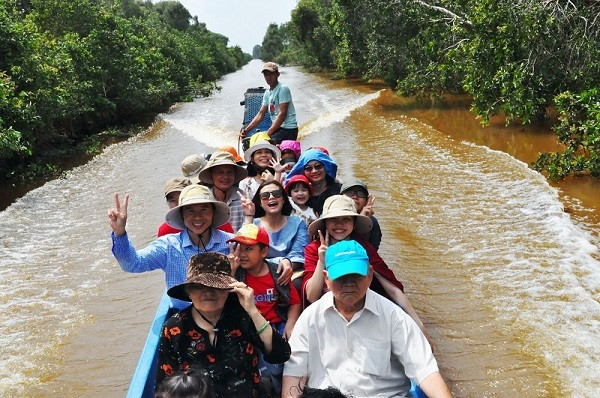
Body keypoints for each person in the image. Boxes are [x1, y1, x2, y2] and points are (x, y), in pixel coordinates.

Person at [282, 240, 453, 398]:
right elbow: (294, 375)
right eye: (340, 277)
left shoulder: (394, 316)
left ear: (370, 274)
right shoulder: (310, 318)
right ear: (326, 279)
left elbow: (425, 371)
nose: (349, 283)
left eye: (356, 275)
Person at [156, 252, 291, 397]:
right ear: (188, 291)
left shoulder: (244, 315)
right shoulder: (174, 328)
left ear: (228, 290)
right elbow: (165, 384)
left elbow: (280, 355)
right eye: (199, 286)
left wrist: (253, 311)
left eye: (216, 286)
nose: (208, 292)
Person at [302, 195, 430, 342]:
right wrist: (321, 260)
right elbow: (311, 296)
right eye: (334, 220)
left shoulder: (362, 246)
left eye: (346, 219)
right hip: (327, 309)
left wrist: (419, 326)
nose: (339, 225)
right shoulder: (313, 248)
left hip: (359, 303)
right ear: (325, 223)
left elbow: (392, 288)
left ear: (354, 223)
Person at [108, 184, 233, 310]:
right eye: (190, 210)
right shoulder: (168, 246)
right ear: (182, 215)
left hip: (224, 312)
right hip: (183, 315)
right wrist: (120, 233)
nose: (198, 216)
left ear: (213, 212)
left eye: (204, 209)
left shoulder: (231, 242)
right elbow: (132, 264)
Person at [227, 223, 302, 395]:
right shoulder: (237, 274)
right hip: (250, 328)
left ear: (264, 252)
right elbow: (226, 302)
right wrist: (230, 274)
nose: (241, 254)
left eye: (248, 249)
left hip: (278, 324)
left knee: (291, 359)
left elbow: (294, 302)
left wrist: (290, 324)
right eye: (239, 248)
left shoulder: (277, 273)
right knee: (268, 370)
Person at [239, 180, 308, 287]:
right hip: (258, 271)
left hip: (290, 271)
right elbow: (244, 250)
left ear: (284, 199)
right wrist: (249, 216)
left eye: (276, 194)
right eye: (265, 196)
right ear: (260, 203)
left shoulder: (298, 223)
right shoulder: (253, 223)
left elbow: (298, 253)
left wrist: (288, 263)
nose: (271, 197)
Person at [240, 62, 298, 144]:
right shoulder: (267, 92)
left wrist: (268, 133)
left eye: (271, 74)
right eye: (266, 74)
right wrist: (247, 130)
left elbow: (282, 114)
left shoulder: (283, 89)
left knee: (264, 145)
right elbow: (261, 114)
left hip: (288, 129)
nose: (268, 77)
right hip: (277, 129)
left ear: (277, 74)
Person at [198, 151, 248, 232]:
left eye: (230, 172)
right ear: (211, 175)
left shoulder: (244, 199)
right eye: (220, 172)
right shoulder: (203, 199)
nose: (225, 177)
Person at [284, 148, 341, 216]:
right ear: (303, 171)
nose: (314, 171)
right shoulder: (296, 195)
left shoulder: (339, 190)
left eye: (318, 166)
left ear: (326, 167)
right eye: (308, 168)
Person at [340, 178, 381, 250]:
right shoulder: (332, 217)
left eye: (360, 194)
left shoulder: (372, 222)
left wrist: (363, 221)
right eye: (350, 192)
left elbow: (372, 252)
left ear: (366, 200)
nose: (355, 197)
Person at [239, 132, 282, 199]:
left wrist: (275, 179)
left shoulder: (283, 176)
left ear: (273, 156)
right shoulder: (245, 183)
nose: (263, 155)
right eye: (259, 152)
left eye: (267, 152)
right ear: (252, 158)